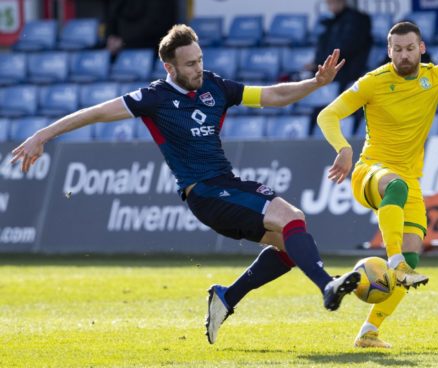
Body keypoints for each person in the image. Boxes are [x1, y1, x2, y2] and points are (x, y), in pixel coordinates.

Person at [11, 24, 360, 345]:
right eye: (190, 64)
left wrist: (315, 84)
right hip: (204, 192)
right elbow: (95, 113)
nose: (197, 69)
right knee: (291, 216)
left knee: (290, 242)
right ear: (170, 67)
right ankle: (327, 285)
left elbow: (273, 95)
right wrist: (42, 135)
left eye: (200, 60)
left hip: (224, 184)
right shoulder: (154, 98)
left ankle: (227, 297)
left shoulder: (214, 86)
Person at [317, 21, 438, 348]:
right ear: (389, 52)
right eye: (397, 50)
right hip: (370, 172)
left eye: (409, 48)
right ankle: (394, 262)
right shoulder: (372, 82)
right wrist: (343, 149)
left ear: (422, 48)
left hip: (409, 179)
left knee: (414, 257)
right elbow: (327, 116)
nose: (404, 56)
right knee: (397, 191)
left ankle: (369, 332)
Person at [306, 0, 372, 92]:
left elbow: (345, 48)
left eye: (333, 2)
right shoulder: (331, 22)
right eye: (328, 3)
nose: (330, 6)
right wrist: (317, 63)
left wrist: (319, 64)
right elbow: (324, 45)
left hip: (347, 70)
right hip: (332, 69)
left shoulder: (358, 20)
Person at [104, 0, 178, 56]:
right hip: (120, 48)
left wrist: (122, 41)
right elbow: (113, 14)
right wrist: (111, 36)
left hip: (153, 49)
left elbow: (154, 25)